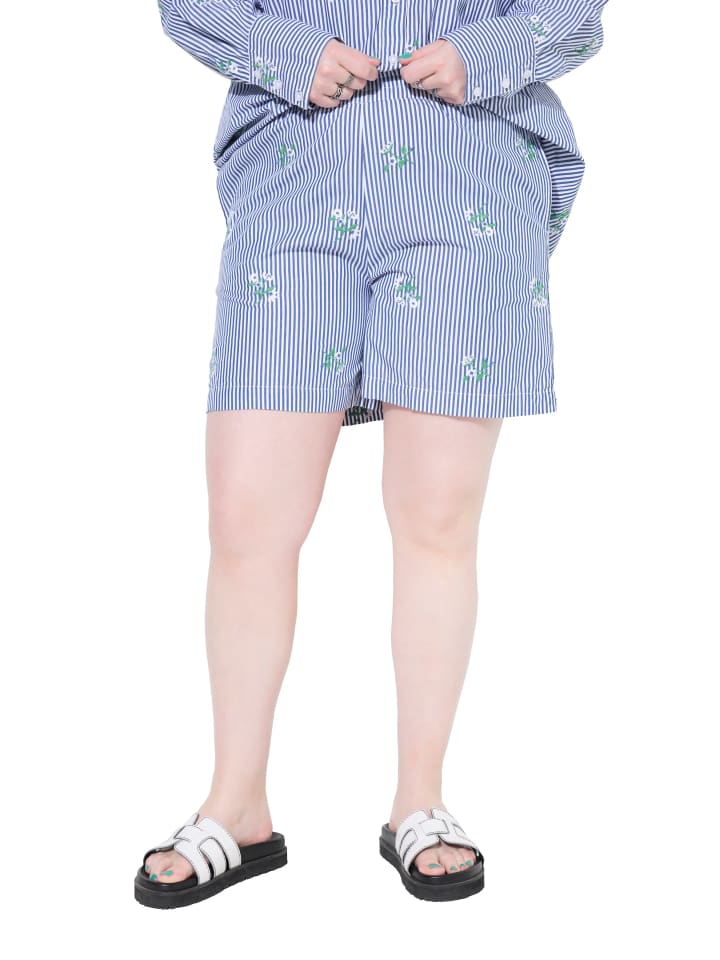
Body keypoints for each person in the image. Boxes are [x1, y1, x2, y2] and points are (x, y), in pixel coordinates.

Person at [135, 0, 608, 907]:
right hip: (293, 166)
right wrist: (289, 49)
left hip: (468, 170)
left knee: (437, 517)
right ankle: (237, 804)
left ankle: (420, 801)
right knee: (245, 517)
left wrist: (480, 52)